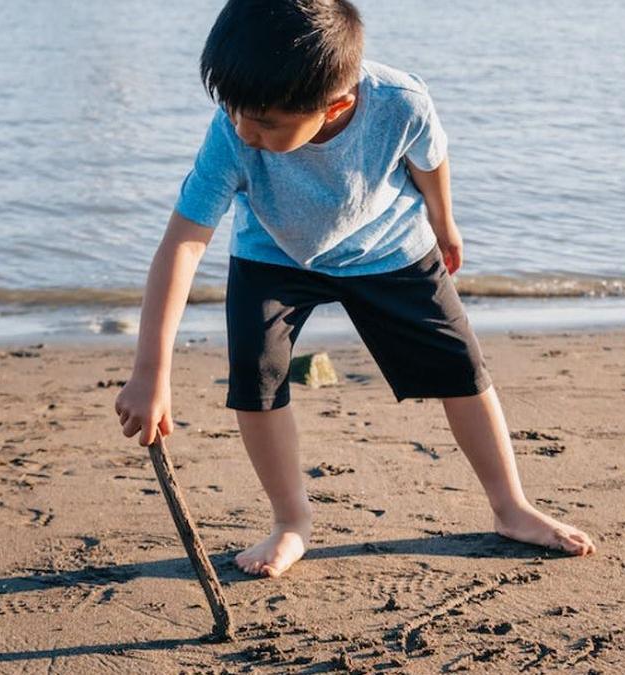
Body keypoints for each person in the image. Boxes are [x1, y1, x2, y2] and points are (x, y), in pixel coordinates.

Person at [114, 0, 596, 578]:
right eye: (235, 110)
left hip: (388, 244)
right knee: (257, 381)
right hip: (272, 252)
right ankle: (291, 521)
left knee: (461, 370)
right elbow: (182, 246)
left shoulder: (400, 103)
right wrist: (151, 372)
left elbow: (430, 161)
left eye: (265, 122)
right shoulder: (233, 133)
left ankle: (510, 507)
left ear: (336, 105)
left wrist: (445, 224)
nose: (246, 130)